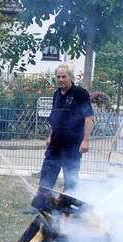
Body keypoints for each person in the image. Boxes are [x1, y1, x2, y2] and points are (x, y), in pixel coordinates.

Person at [38, 64, 94, 194]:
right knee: (47, 172)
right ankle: (41, 203)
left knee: (71, 176)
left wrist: (86, 140)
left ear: (71, 77)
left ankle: (67, 208)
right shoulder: (57, 94)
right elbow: (57, 118)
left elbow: (89, 117)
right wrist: (50, 136)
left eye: (64, 76)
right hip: (56, 142)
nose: (61, 79)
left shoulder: (80, 93)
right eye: (58, 77)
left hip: (73, 144)